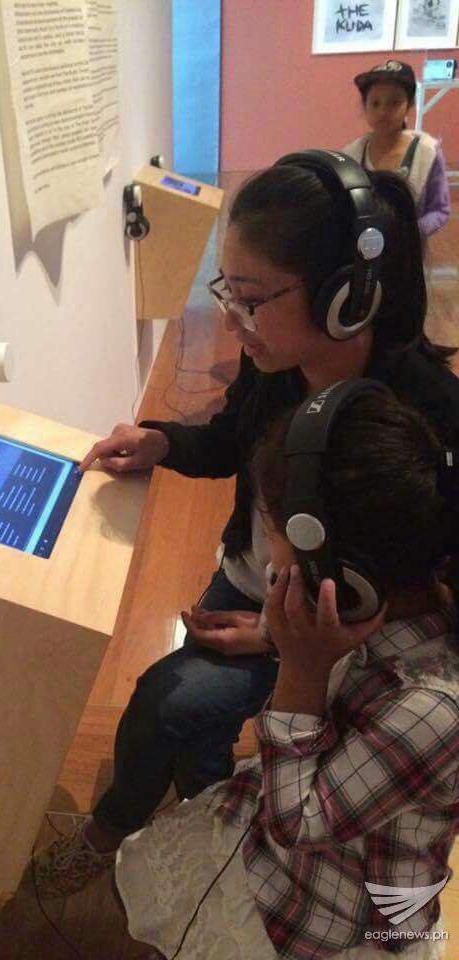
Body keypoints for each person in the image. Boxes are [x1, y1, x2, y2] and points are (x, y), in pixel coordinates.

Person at [31, 149, 459, 900]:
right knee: (191, 728)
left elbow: (420, 603)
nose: (232, 319)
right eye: (226, 289)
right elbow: (232, 440)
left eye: (252, 299)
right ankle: (206, 825)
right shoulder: (276, 364)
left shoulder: (428, 416)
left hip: (331, 636)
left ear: (346, 295)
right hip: (257, 587)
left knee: (166, 701)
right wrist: (163, 442)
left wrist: (277, 637)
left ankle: (132, 830)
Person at [115, 382, 459, 960]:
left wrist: (301, 668)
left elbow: (297, 824)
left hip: (322, 919)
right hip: (275, 847)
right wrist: (268, 635)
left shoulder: (433, 710)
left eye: (270, 525)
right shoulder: (377, 605)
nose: (265, 548)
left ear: (342, 571)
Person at [342, 59, 451, 238]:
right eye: (375, 103)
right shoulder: (351, 155)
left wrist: (411, 233)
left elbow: (440, 209)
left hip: (409, 249)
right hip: (362, 247)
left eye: (394, 103)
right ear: (365, 106)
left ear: (409, 105)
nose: (383, 111)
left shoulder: (426, 153)